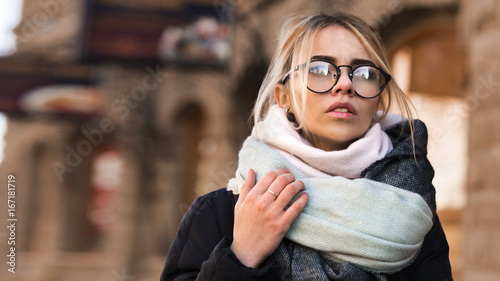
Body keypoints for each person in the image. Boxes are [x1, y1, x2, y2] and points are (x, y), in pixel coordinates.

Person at [161, 12, 453, 281]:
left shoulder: (410, 217)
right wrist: (241, 257)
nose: (345, 85)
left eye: (363, 73)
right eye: (320, 69)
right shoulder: (222, 211)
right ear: (283, 97)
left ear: (377, 98)